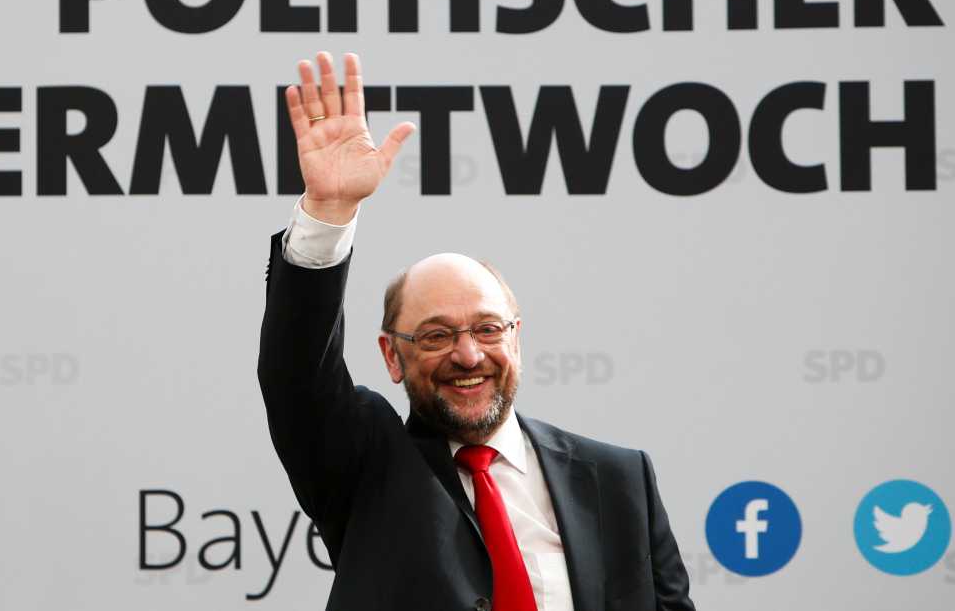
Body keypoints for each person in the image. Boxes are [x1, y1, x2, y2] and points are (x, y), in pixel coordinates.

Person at [258, 51, 696, 611]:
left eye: (488, 329)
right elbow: (296, 374)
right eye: (436, 336)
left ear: (515, 338)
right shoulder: (366, 465)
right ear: (392, 357)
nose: (469, 355)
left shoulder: (618, 479)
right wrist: (329, 211)